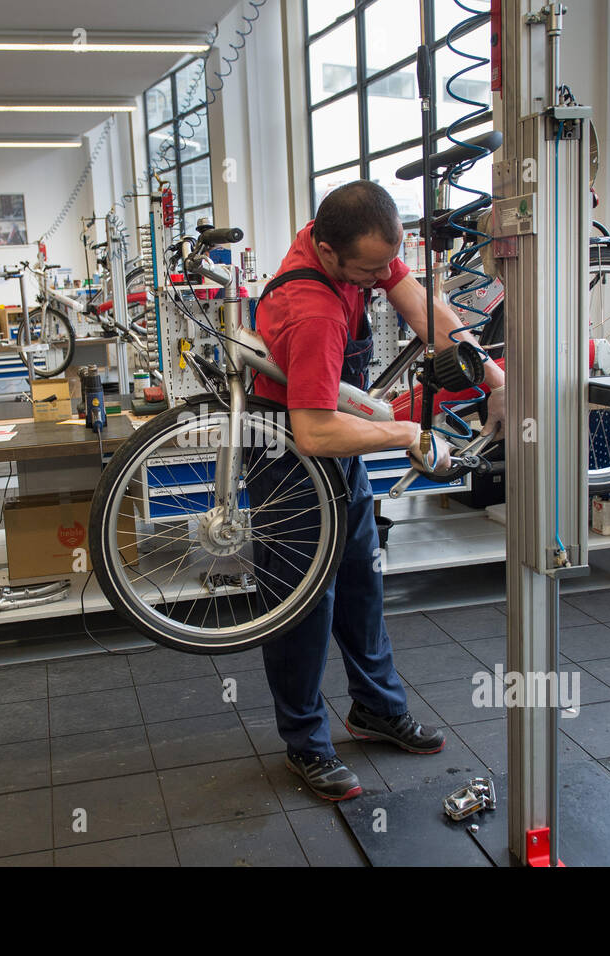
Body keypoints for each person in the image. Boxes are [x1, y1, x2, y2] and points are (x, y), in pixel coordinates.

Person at [250, 180, 506, 801]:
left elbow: (422, 309)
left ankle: (374, 709)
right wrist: (406, 434)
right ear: (329, 250)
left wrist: (494, 375)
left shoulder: (354, 247)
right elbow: (312, 431)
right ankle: (306, 744)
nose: (376, 280)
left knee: (363, 587)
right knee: (302, 611)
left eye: (382, 267)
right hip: (290, 459)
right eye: (366, 272)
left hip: (341, 444)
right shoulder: (312, 308)